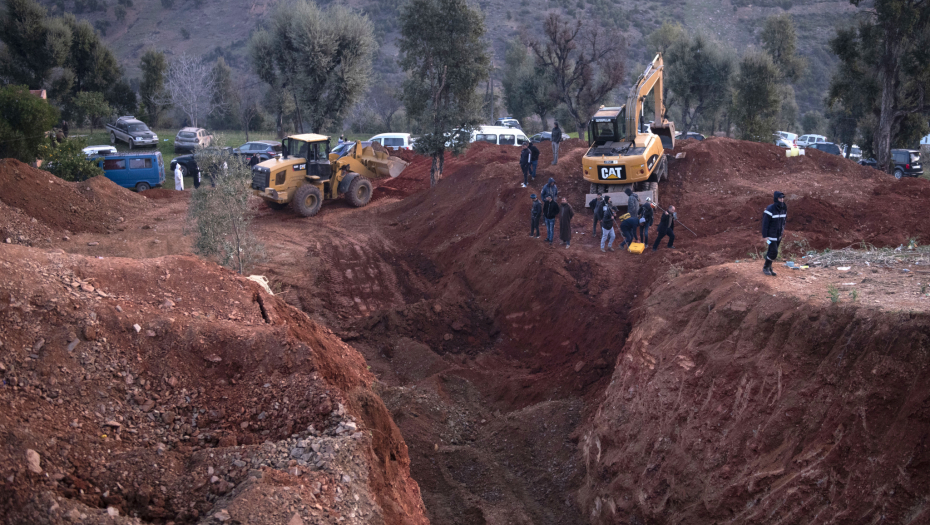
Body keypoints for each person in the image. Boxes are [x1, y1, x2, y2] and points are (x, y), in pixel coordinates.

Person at [761, 191, 787, 276]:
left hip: (779, 235)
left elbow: (783, 221)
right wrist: (765, 236)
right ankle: (766, 267)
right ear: (776, 198)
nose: (782, 200)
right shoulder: (770, 209)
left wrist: (782, 232)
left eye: (782, 198)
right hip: (770, 237)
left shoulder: (784, 208)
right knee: (774, 251)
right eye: (780, 198)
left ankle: (769, 267)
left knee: (771, 251)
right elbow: (765, 223)